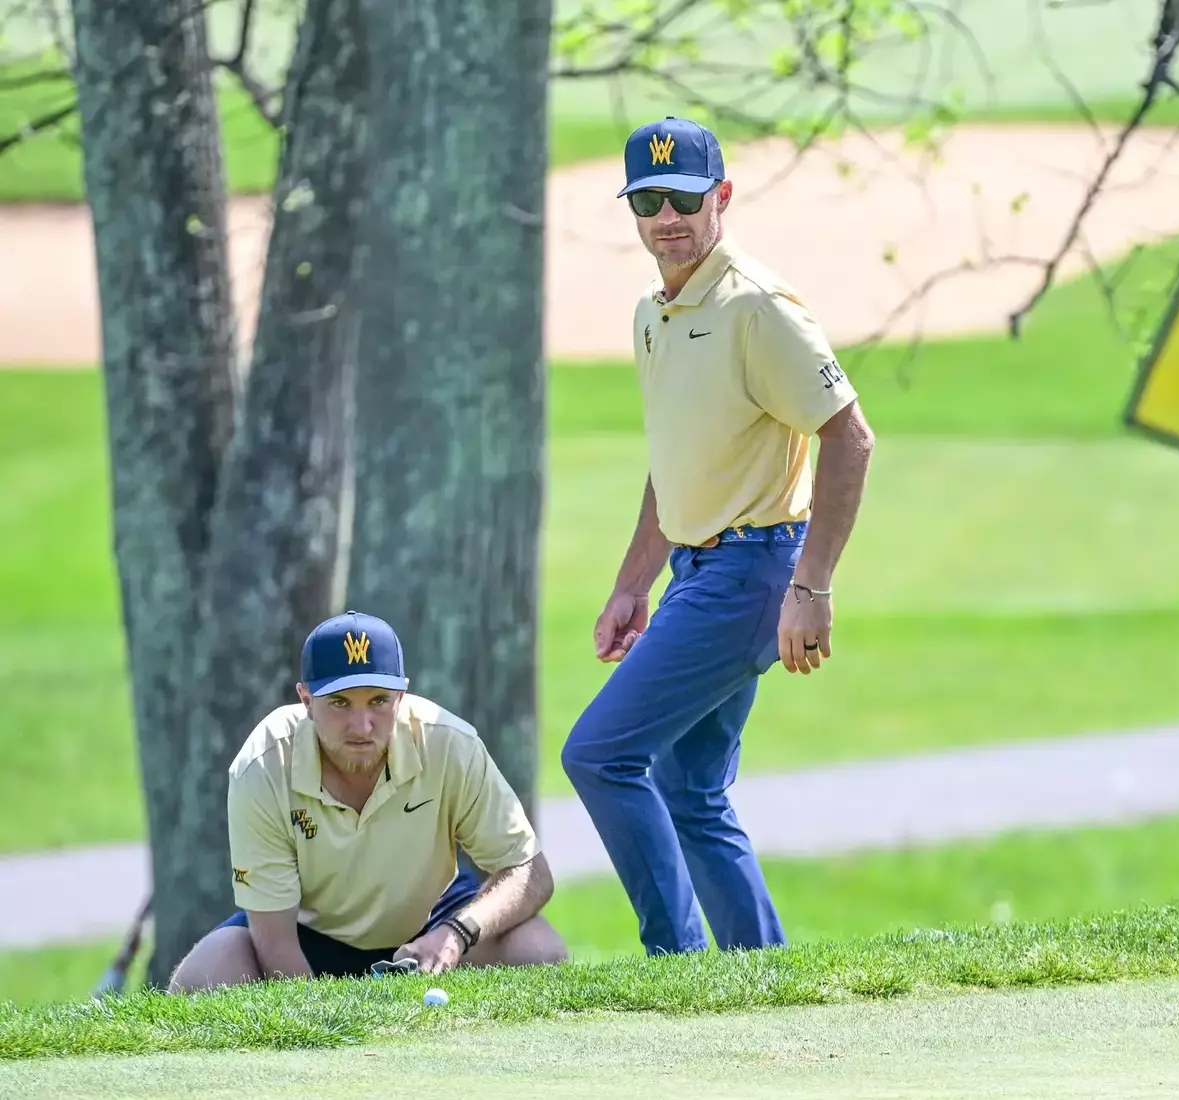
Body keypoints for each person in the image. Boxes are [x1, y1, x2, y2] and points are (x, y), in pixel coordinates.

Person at [560, 115, 877, 957]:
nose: (667, 217)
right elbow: (675, 462)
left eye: (684, 198)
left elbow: (850, 438)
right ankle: (758, 974)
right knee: (689, 787)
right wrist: (632, 584)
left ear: (721, 197)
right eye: (648, 201)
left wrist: (812, 586)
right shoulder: (654, 312)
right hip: (696, 572)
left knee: (600, 756)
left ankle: (678, 962)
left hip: (751, 572)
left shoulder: (756, 308)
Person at [168, 611, 569, 993]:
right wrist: (331, 1025)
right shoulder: (263, 763)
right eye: (340, 702)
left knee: (538, 951)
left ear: (401, 694)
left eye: (378, 700)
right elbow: (275, 941)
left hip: (433, 919)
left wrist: (456, 933)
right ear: (306, 700)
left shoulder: (450, 744)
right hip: (310, 933)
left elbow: (530, 872)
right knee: (204, 976)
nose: (361, 726)